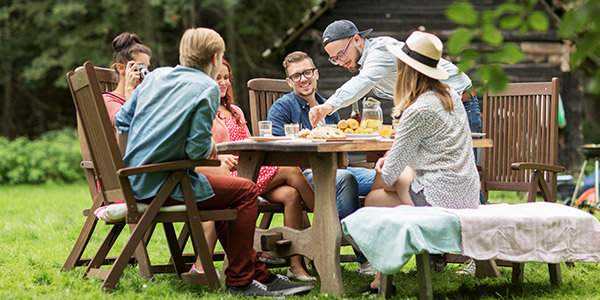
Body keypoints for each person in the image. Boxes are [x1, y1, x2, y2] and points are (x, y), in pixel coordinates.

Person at [113, 27, 312, 297]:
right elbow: (197, 150)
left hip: (137, 179)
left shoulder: (156, 76)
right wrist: (211, 146)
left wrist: (144, 153)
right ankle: (240, 280)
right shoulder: (205, 87)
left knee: (230, 195)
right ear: (216, 57)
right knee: (246, 191)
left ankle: (259, 274)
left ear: (183, 55)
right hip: (166, 182)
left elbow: (122, 121)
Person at [310, 19, 485, 206]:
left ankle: (478, 218)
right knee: (454, 174)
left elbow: (362, 82)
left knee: (462, 169)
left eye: (342, 54)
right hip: (447, 108)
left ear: (356, 40)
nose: (340, 62)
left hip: (461, 102)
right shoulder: (423, 102)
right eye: (334, 59)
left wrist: (328, 106)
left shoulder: (380, 54)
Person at [358, 31, 480, 294]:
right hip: (467, 193)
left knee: (374, 199)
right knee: (395, 174)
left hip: (441, 197)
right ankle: (381, 276)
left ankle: (380, 276)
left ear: (406, 70)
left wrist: (384, 162)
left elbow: (391, 174)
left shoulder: (417, 110)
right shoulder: (451, 97)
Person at [195, 58, 316, 281]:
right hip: (230, 174)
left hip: (251, 169)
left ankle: (295, 264)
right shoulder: (205, 110)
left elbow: (249, 143)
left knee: (291, 194)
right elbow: (201, 145)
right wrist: (220, 155)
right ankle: (327, 224)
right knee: (292, 171)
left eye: (226, 78)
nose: (223, 83)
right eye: (217, 78)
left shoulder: (235, 111)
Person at [267, 51, 377, 276]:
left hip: (339, 169)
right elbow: (278, 152)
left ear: (316, 74)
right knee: (345, 180)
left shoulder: (330, 106)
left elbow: (342, 149)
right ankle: (364, 255)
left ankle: (396, 245)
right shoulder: (282, 108)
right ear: (289, 82)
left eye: (307, 72)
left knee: (383, 177)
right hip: (306, 173)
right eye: (296, 76)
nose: (303, 79)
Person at [103, 32, 152, 131]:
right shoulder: (108, 100)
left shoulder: (143, 99)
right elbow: (126, 124)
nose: (144, 73)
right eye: (140, 67)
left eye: (146, 68)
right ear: (121, 68)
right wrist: (129, 88)